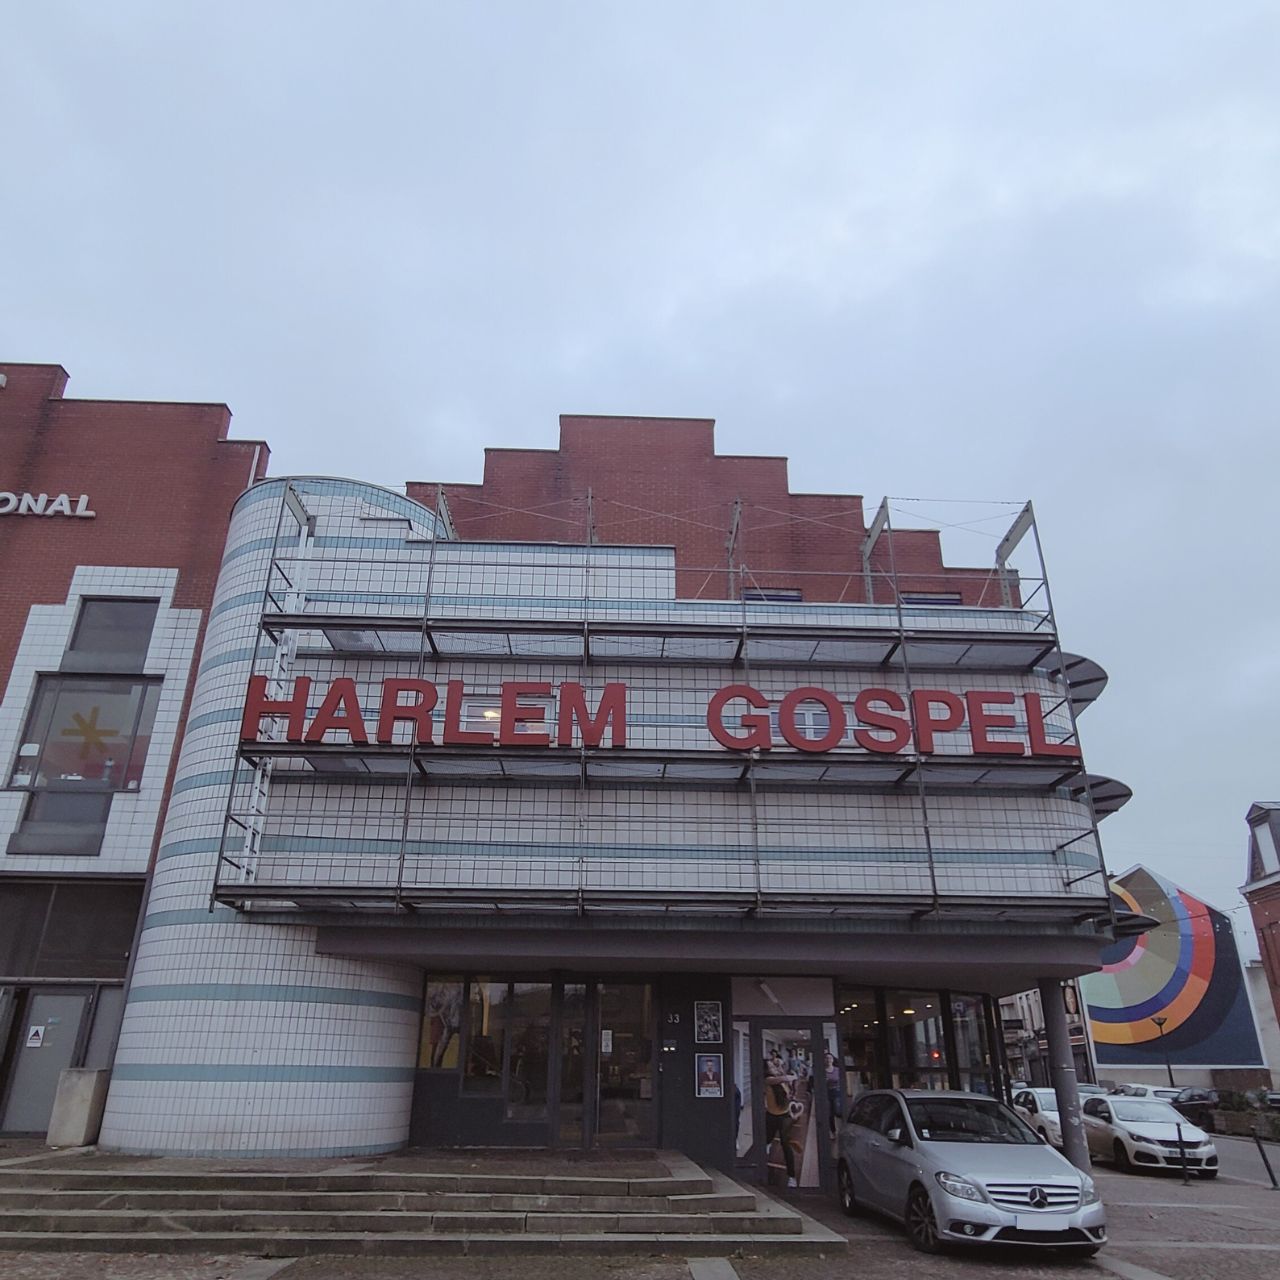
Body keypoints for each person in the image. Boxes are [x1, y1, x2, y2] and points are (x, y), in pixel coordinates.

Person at [764, 1050, 798, 1187]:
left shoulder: (780, 1078)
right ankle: (767, 1146)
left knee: (786, 1145)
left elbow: (789, 1088)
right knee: (767, 1138)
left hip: (784, 1115)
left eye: (773, 1065)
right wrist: (788, 1075)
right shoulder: (768, 1080)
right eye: (771, 1066)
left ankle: (792, 1176)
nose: (773, 1066)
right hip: (771, 1115)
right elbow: (785, 1078)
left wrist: (781, 1068)